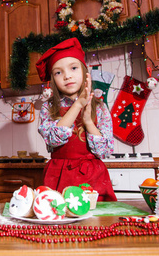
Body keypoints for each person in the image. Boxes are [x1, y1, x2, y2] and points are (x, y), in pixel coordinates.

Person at [35, 38, 116, 201]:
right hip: (59, 176)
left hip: (93, 179)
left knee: (95, 223)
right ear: (53, 80)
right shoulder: (48, 108)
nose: (67, 76)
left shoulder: (99, 107)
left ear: (85, 72)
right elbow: (52, 140)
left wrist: (87, 122)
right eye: (58, 72)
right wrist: (78, 105)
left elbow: (104, 151)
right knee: (59, 220)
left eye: (73, 68)